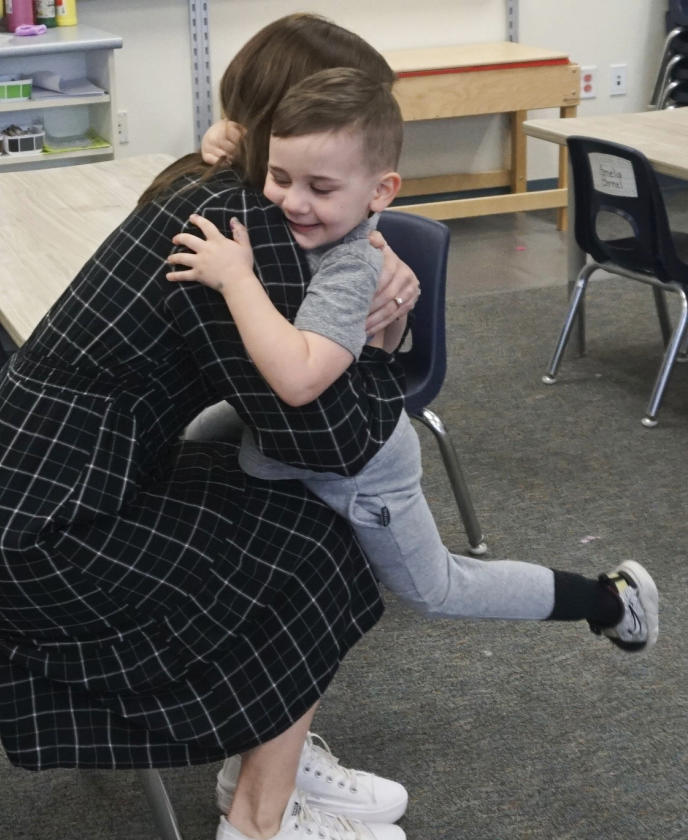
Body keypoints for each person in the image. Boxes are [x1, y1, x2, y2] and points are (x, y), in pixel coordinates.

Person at [0, 14, 421, 840]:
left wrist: (369, 279)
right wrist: (377, 330)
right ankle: (258, 829)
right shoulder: (237, 233)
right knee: (318, 540)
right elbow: (333, 439)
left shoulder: (210, 187)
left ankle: (269, 757)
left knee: (265, 502)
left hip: (1, 506)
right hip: (39, 543)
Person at [169, 67, 659, 671]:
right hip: (292, 440)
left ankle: (609, 600)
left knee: (438, 588)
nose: (293, 201)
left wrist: (237, 278)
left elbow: (299, 380)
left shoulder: (354, 266)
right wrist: (222, 140)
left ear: (380, 193)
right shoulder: (303, 212)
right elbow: (261, 159)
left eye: (320, 188)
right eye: (279, 176)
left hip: (363, 467)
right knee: (193, 439)